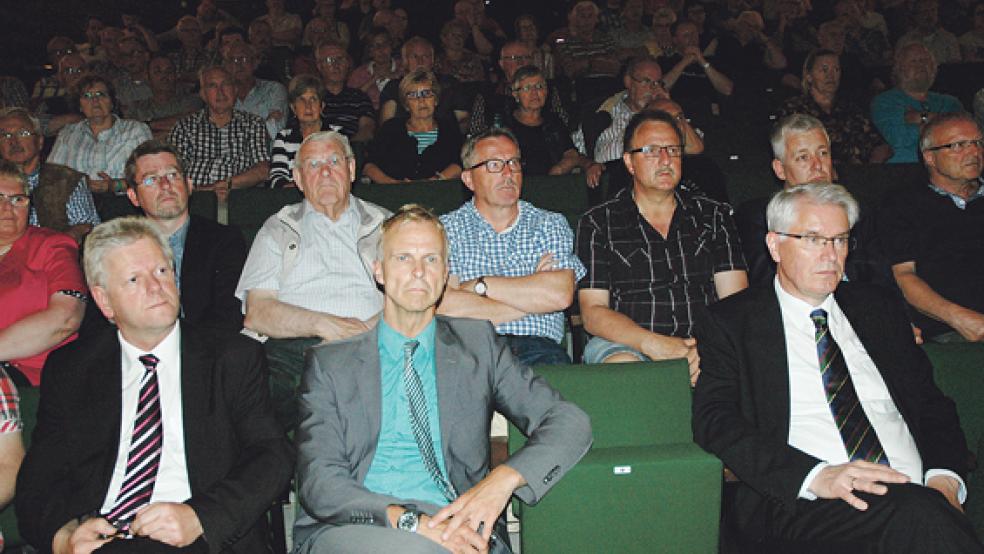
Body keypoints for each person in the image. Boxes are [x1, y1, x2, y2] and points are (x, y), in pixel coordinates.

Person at [692, 183, 983, 553]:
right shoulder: (733, 322)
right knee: (918, 515)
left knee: (920, 512)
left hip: (917, 493)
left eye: (840, 240)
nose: (831, 255)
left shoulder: (878, 309)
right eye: (813, 240)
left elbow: (932, 404)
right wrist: (815, 476)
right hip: (805, 505)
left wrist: (944, 477)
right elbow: (714, 420)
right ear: (774, 245)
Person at [291, 203, 591, 553]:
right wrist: (409, 522)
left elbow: (569, 421)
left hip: (455, 522)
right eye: (403, 258)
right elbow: (319, 483)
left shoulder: (477, 344)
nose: (419, 271)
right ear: (379, 271)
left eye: (431, 259)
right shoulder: (331, 363)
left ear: (445, 272)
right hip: (358, 524)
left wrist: (502, 481)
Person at [15, 215, 293, 553]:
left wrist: (200, 517)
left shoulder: (231, 357)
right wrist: (63, 539)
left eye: (162, 271)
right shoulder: (73, 368)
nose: (155, 287)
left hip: (200, 538)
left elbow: (271, 455)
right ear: (104, 301)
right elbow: (39, 477)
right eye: (134, 279)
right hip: (102, 535)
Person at [576, 110, 747, 383]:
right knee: (625, 367)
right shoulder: (598, 223)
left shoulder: (714, 217)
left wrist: (704, 348)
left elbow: (734, 303)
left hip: (703, 344)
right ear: (630, 163)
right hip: (630, 343)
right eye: (652, 151)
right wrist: (654, 344)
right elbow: (593, 313)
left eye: (672, 150)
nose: (666, 160)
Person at [236, 131, 390, 429]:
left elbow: (416, 298)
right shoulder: (277, 228)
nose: (325, 172)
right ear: (297, 177)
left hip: (373, 341)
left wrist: (370, 331)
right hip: (293, 350)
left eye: (334, 160)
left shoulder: (387, 225)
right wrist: (325, 325)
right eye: (313, 165)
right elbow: (258, 312)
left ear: (352, 168)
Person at [437, 128, 585, 366]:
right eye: (494, 165)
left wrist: (478, 286)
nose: (508, 173)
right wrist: (531, 298)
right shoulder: (444, 229)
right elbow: (444, 306)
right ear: (468, 179)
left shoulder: (549, 223)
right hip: (468, 351)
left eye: (514, 163)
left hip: (539, 350)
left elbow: (559, 294)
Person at [736, 114, 891, 288]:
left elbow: (883, 283)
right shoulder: (759, 217)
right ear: (780, 169)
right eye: (803, 157)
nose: (818, 165)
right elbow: (766, 284)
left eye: (823, 153)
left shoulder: (859, 211)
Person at [880, 112, 984, 342]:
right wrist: (961, 319)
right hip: (950, 329)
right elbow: (905, 276)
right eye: (958, 145)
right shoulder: (903, 205)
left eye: (978, 143)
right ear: (930, 157)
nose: (974, 152)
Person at [124, 139, 246, 335]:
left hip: (201, 350)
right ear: (133, 196)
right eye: (151, 179)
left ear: (189, 185)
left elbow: (228, 316)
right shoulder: (119, 249)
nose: (165, 185)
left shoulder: (224, 240)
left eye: (172, 175)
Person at [0, 161, 86, 387]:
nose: (7, 208)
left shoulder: (53, 246)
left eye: (18, 199)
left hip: (34, 379)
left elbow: (67, 318)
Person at [168, 66, 270, 201]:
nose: (220, 92)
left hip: (238, 198)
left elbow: (262, 171)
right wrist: (203, 192)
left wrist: (225, 184)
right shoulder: (184, 127)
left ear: (235, 90)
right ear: (203, 94)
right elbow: (172, 173)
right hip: (193, 199)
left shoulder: (254, 124)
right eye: (212, 86)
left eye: (225, 84)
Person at [0, 107, 100, 244]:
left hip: (53, 257)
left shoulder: (66, 179)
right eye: (5, 135)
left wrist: (53, 245)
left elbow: (87, 226)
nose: (13, 141)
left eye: (23, 133)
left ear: (40, 141)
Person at [779, 50, 890, 165]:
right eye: (824, 70)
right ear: (809, 76)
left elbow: (880, 145)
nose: (831, 75)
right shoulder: (794, 110)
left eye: (836, 70)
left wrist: (870, 167)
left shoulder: (851, 109)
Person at [48, 75, 153, 196]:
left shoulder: (135, 130)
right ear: (80, 106)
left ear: (112, 102)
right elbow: (51, 177)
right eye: (87, 96)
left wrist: (116, 185)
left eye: (100, 94)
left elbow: (150, 176)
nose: (94, 101)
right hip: (77, 201)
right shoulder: (67, 134)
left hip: (122, 202)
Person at [363, 70, 463, 184]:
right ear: (406, 105)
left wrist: (434, 181)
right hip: (394, 195)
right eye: (413, 96)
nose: (421, 100)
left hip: (438, 193)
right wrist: (393, 184)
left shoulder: (449, 128)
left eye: (427, 93)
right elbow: (369, 166)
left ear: (435, 100)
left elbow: (460, 163)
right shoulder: (390, 128)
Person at [499, 66, 599, 179]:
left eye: (539, 86)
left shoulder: (553, 123)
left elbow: (572, 155)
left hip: (550, 185)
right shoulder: (504, 124)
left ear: (546, 91)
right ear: (515, 94)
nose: (534, 93)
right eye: (527, 88)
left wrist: (562, 168)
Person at [871, 43, 964, 164]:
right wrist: (942, 121)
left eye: (925, 61)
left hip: (949, 168)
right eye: (914, 61)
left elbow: (960, 135)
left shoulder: (950, 102)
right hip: (903, 169)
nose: (921, 65)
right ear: (899, 68)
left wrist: (919, 117)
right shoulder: (884, 101)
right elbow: (898, 138)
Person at [378, 36, 471, 130]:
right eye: (414, 56)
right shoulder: (393, 87)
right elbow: (386, 126)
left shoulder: (450, 84)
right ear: (405, 61)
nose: (420, 61)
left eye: (425, 56)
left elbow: (463, 120)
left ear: (432, 60)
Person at [269, 74, 329, 188]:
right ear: (293, 108)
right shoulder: (284, 138)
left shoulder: (337, 136)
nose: (308, 106)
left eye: (313, 99)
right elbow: (276, 177)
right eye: (302, 100)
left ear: (322, 106)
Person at [222, 41, 288, 140]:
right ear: (226, 66)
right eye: (233, 60)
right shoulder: (220, 96)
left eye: (244, 59)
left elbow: (274, 131)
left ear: (255, 63)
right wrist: (263, 124)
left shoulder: (274, 90)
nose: (239, 64)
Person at [128, 56, 204, 140]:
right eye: (157, 72)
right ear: (147, 76)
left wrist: (147, 125)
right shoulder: (137, 108)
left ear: (176, 75)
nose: (164, 76)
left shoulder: (193, 101)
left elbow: (193, 122)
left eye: (169, 71)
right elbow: (134, 137)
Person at [316, 41, 376, 142]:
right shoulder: (313, 96)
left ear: (348, 64)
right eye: (330, 60)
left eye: (340, 59)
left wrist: (345, 148)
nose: (336, 65)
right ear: (319, 66)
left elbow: (367, 129)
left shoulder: (359, 97)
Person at [348, 29, 403, 111]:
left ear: (391, 46)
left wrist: (395, 77)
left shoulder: (402, 66)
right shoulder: (359, 73)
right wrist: (374, 79)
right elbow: (350, 99)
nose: (381, 49)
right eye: (375, 45)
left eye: (385, 44)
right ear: (369, 51)